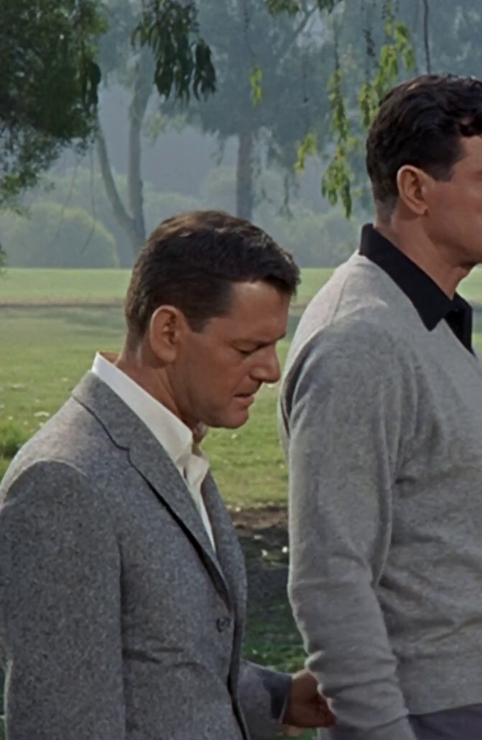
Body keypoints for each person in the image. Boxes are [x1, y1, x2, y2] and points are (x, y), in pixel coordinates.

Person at [0, 211, 334, 739]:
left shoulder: (171, 446)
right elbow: (64, 719)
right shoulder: (64, 483)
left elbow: (164, 658)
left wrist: (278, 698)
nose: (271, 370)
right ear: (169, 332)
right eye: (248, 348)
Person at [279, 75, 482, 740]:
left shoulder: (422, 318)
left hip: (476, 701)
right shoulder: (360, 342)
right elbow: (330, 576)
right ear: (416, 189)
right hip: (424, 715)